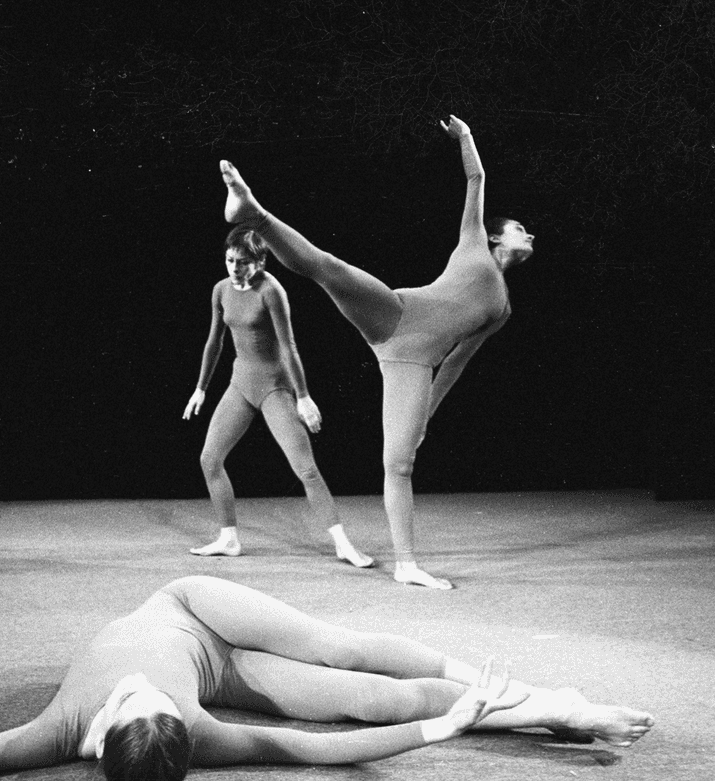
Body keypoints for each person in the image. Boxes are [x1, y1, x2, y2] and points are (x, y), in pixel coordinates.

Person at [0, 575, 653, 781]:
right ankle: (552, 708)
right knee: (368, 701)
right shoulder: (182, 733)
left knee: (342, 649)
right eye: (152, 705)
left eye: (151, 705)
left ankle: (522, 691)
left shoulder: (61, 726)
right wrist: (441, 732)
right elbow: (320, 749)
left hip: (194, 606)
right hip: (224, 669)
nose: (145, 693)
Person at [219, 115, 534, 588]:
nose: (529, 236)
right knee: (329, 268)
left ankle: (406, 565)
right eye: (520, 229)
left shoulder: (503, 308)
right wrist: (466, 138)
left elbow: (457, 360)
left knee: (399, 463)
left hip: (413, 363)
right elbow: (476, 177)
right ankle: (253, 214)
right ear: (495, 236)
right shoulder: (473, 242)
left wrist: (426, 413)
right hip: (395, 312)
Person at [182, 225, 373, 567]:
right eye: (229, 260)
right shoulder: (221, 290)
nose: (234, 268)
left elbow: (289, 348)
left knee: (305, 469)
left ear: (260, 261)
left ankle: (343, 544)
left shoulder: (272, 292)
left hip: (274, 386)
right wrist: (201, 388)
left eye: (243, 262)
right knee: (209, 458)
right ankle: (228, 538)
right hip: (241, 384)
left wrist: (303, 397)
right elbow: (215, 343)